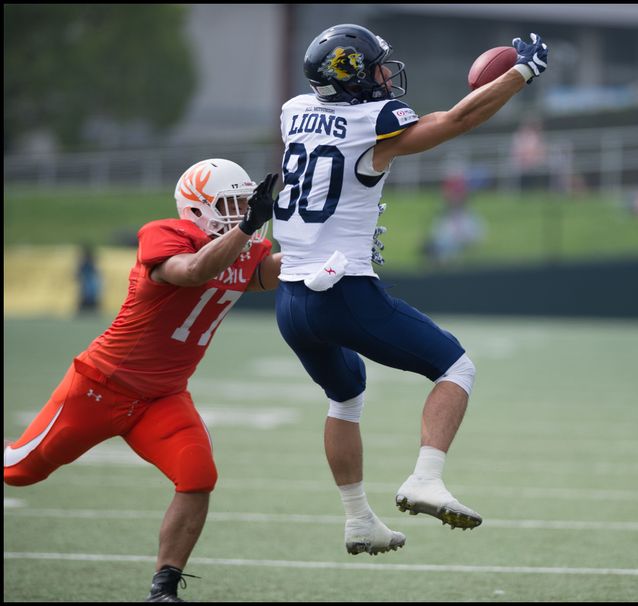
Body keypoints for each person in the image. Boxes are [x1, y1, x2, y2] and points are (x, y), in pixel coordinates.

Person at [272, 23, 548, 556]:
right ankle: (426, 476)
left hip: (291, 301)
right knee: (455, 368)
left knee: (345, 396)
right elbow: (458, 118)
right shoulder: (371, 121)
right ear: (350, 74)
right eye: (374, 64)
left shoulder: (292, 112)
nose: (384, 73)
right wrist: (521, 72)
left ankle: (358, 520)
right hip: (342, 290)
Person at [3, 159, 280, 602]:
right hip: (100, 386)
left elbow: (265, 275)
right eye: (233, 202)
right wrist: (246, 227)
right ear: (196, 209)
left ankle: (163, 588)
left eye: (248, 201)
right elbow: (192, 272)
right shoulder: (167, 234)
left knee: (197, 475)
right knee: (18, 472)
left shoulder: (241, 246)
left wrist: (332, 255)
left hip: (163, 397)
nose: (243, 208)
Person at [76, 243, 102, 314]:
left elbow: (79, 272)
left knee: (87, 296)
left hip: (88, 282)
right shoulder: (91, 261)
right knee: (89, 296)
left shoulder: (85, 262)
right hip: (89, 282)